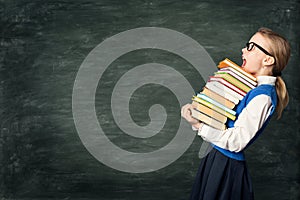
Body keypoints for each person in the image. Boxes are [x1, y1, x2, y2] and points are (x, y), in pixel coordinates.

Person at [181, 27, 290, 200]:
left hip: (226, 168)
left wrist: (199, 126)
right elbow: (225, 125)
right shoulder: (249, 85)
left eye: (251, 47)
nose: (243, 50)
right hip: (216, 159)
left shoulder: (263, 97)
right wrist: (198, 116)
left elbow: (237, 141)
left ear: (268, 60)